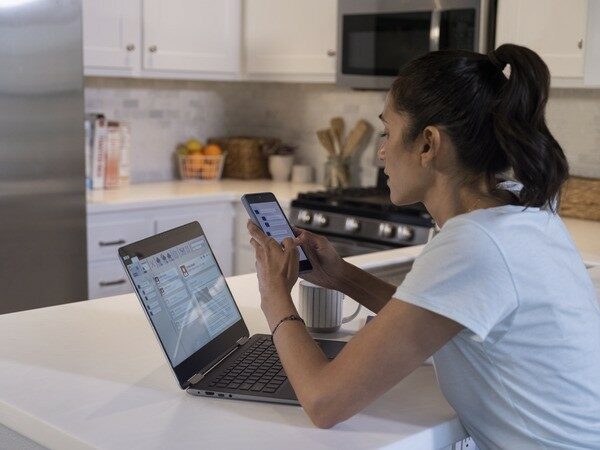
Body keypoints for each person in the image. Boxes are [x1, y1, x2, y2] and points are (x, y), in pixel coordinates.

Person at [247, 44, 600, 449]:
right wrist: (341, 276)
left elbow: (324, 401)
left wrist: (274, 294)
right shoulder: (519, 208)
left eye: (388, 132)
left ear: (428, 144)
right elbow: (439, 315)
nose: (381, 151)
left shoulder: (475, 243)